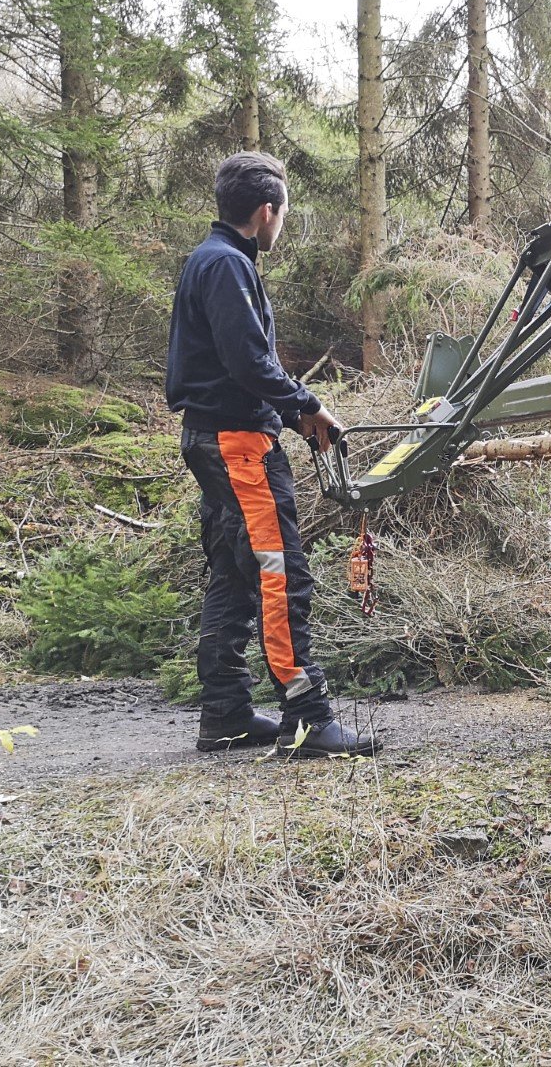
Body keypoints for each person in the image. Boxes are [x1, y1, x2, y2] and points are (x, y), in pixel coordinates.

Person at [166, 151, 378, 758]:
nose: (281, 222)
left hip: (218, 438)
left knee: (234, 573)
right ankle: (308, 717)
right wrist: (307, 406)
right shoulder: (228, 265)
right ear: (266, 212)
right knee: (280, 573)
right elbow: (247, 362)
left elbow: (234, 368)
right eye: (282, 213)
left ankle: (226, 714)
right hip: (239, 448)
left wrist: (291, 413)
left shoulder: (209, 261)